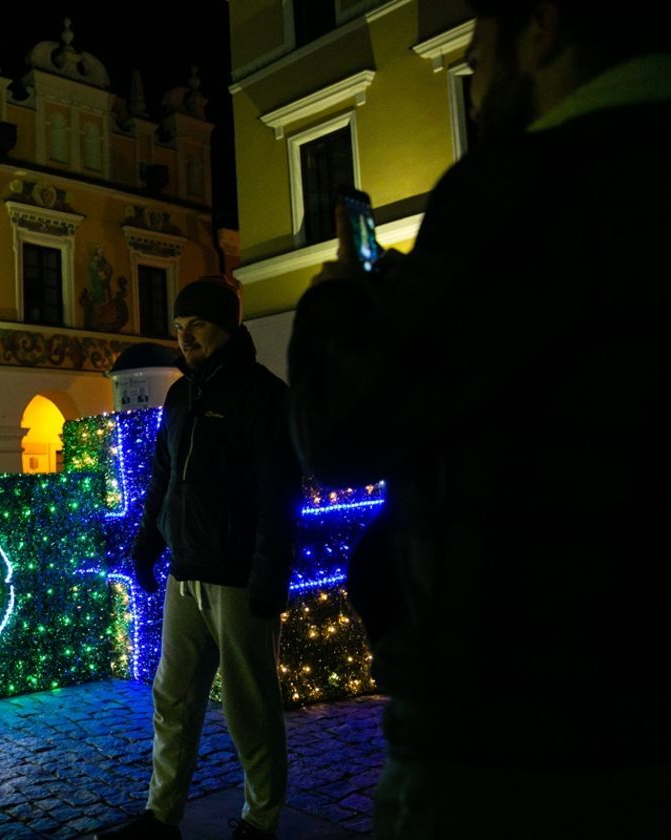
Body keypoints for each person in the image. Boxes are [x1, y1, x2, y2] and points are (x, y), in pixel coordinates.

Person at [287, 3, 671, 837]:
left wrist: (335, 306)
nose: (476, 79)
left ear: (545, 26)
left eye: (477, 52)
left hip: (525, 734)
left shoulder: (528, 183)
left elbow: (342, 433)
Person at [98, 278, 301, 840]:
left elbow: (278, 493)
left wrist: (267, 573)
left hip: (237, 577)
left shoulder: (263, 395)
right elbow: (165, 475)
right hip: (186, 572)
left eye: (197, 328)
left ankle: (260, 821)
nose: (185, 339)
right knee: (173, 699)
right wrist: (149, 542)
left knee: (249, 707)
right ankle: (161, 817)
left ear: (227, 328)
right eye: (179, 330)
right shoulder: (182, 395)